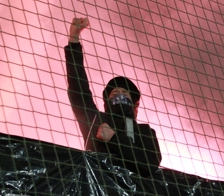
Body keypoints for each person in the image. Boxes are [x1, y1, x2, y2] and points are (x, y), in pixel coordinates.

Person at [64, 17, 162, 177]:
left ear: (134, 104)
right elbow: (78, 89)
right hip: (97, 191)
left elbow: (149, 164)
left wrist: (114, 139)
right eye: (115, 93)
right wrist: (74, 40)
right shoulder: (96, 120)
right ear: (107, 102)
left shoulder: (144, 131)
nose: (120, 95)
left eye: (125, 94)